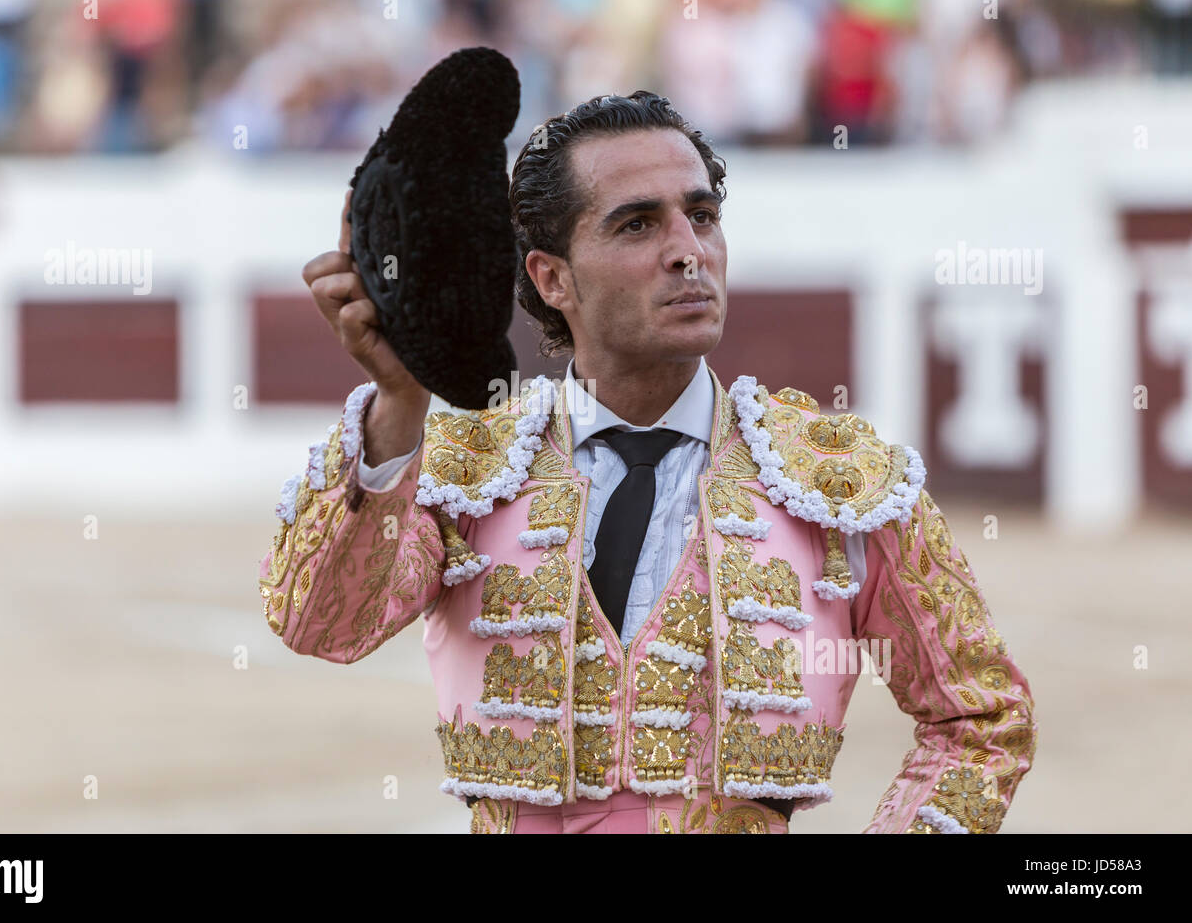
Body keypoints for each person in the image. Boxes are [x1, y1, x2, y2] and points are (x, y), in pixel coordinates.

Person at [259, 91, 1037, 834]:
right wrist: (398, 404)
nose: (687, 252)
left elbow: (980, 718)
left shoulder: (837, 480)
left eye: (701, 216)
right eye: (637, 225)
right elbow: (321, 623)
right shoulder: (461, 468)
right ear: (551, 277)